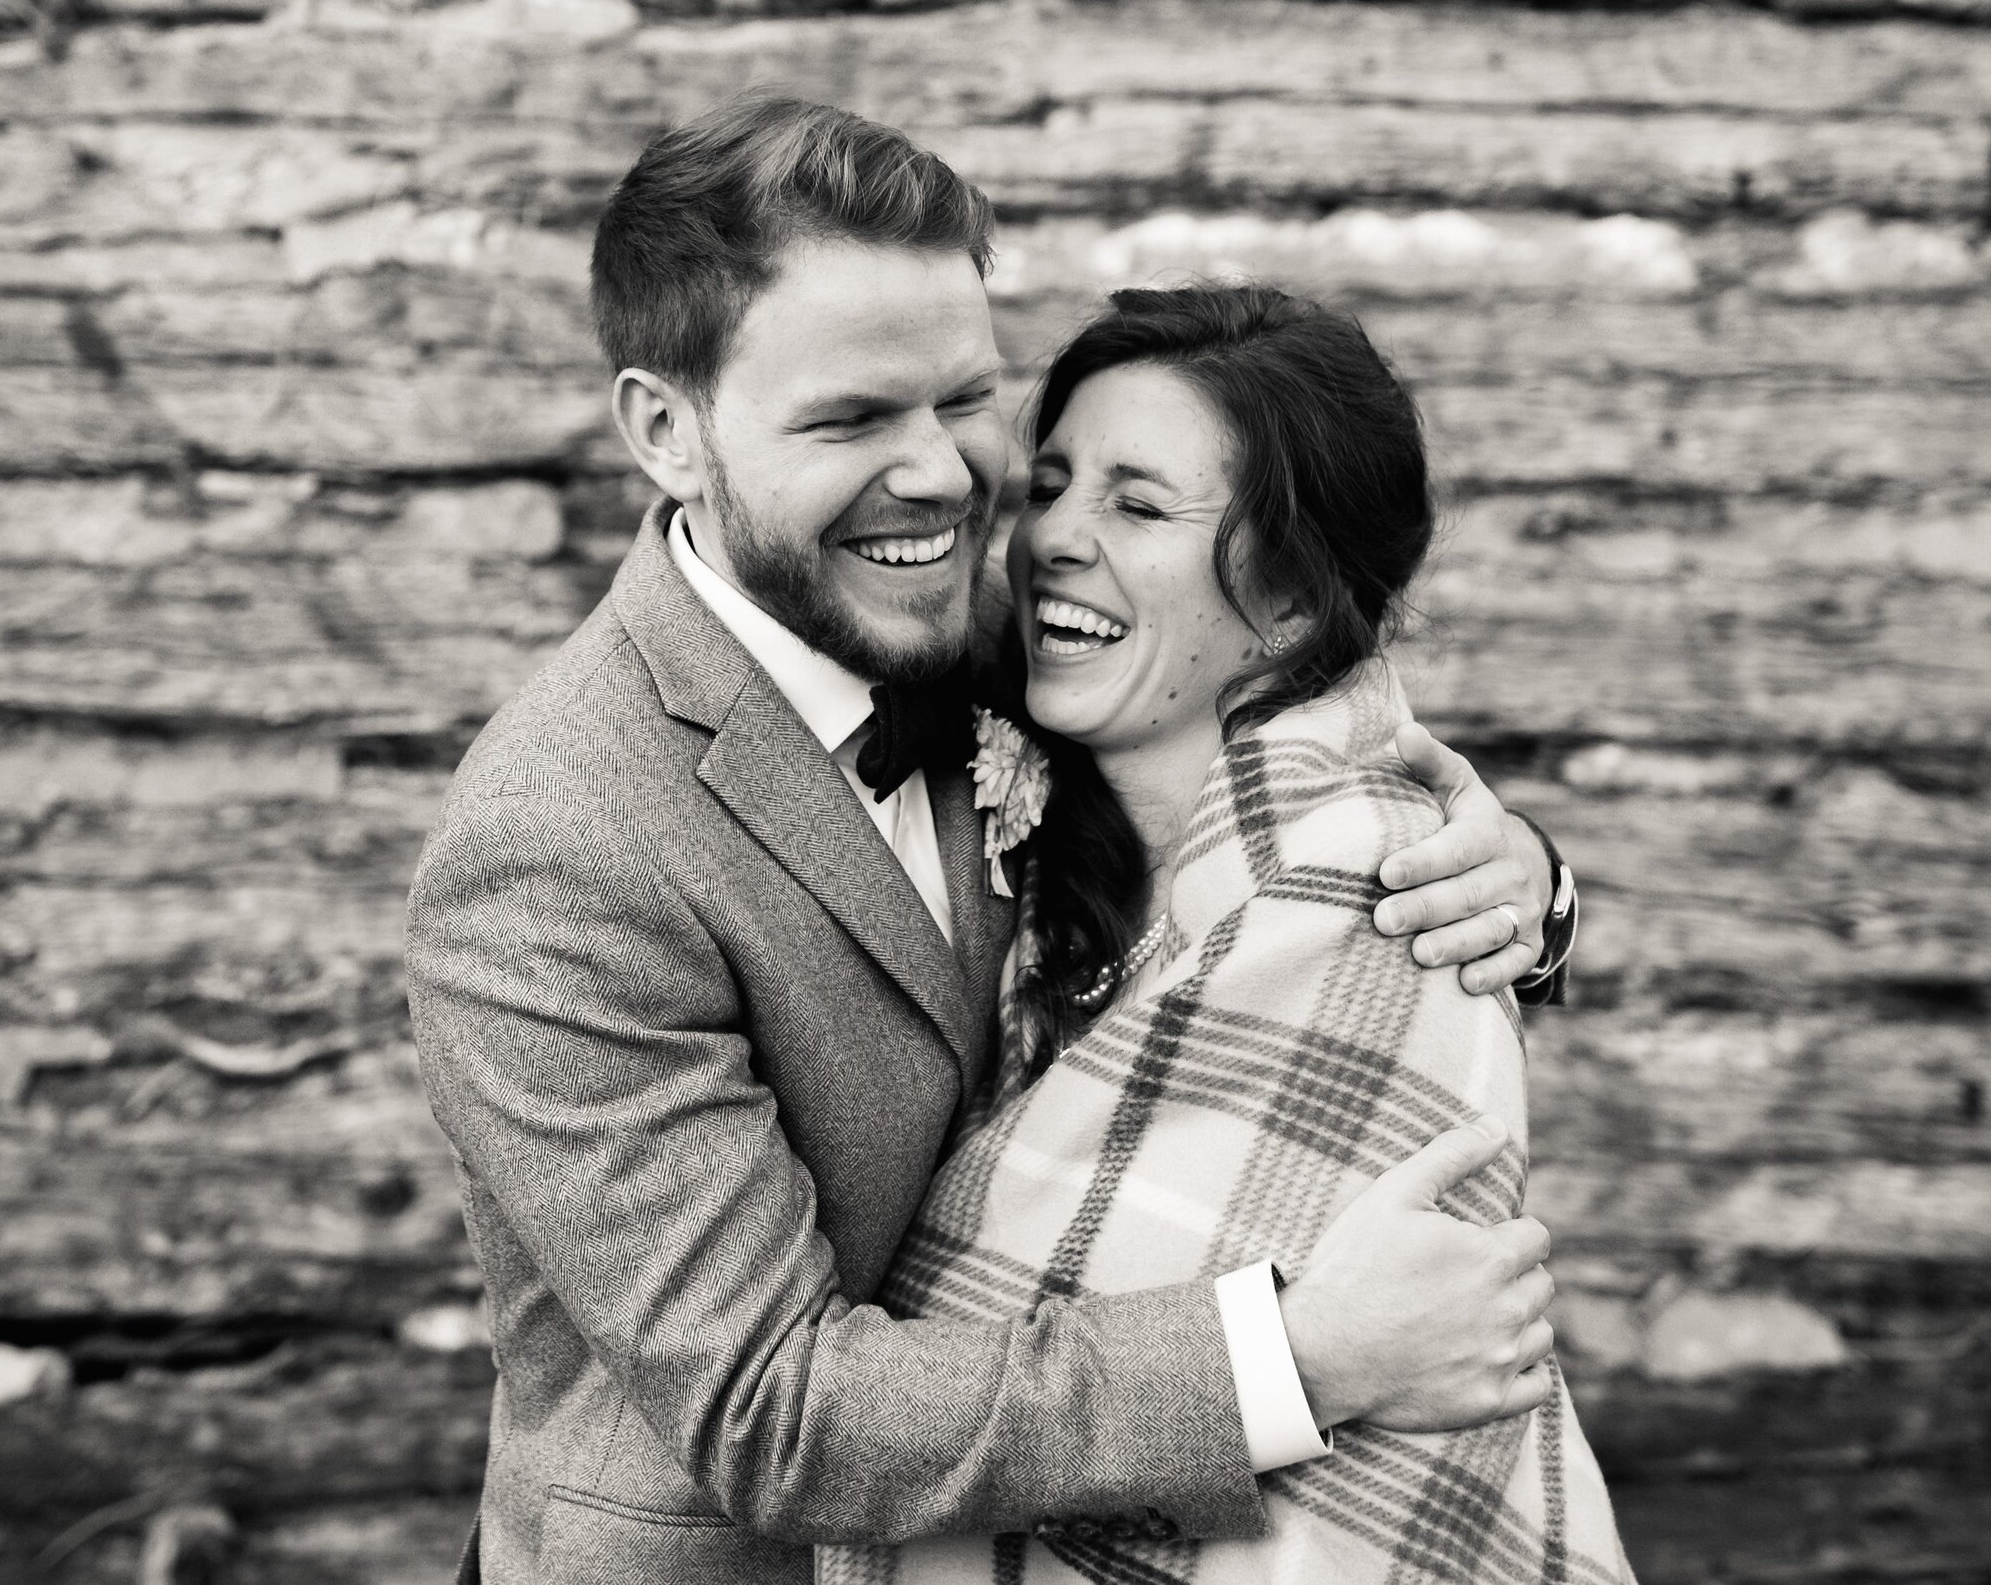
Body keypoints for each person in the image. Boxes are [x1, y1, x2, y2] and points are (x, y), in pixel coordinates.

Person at [404, 94, 1579, 1585]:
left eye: (965, 400)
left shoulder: (984, 613)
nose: (947, 480)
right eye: (849, 420)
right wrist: (1292, 1357)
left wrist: (1519, 883)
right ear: (666, 431)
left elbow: (1253, 704)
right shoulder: (553, 852)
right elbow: (778, 1414)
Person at [819, 284, 1630, 1585]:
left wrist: (1540, 890)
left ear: (1298, 608)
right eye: (1053, 486)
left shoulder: (1374, 899)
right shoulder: (995, 786)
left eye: (1139, 507)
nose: (1048, 544)